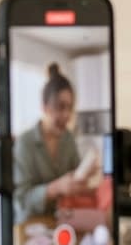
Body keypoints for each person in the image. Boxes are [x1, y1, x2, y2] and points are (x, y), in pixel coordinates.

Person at [12, 62, 95, 224]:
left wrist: (85, 181)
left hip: (61, 223)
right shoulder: (25, 143)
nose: (66, 115)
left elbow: (74, 179)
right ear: (44, 107)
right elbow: (20, 202)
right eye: (60, 107)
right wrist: (55, 188)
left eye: (70, 108)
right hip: (29, 227)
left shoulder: (68, 139)